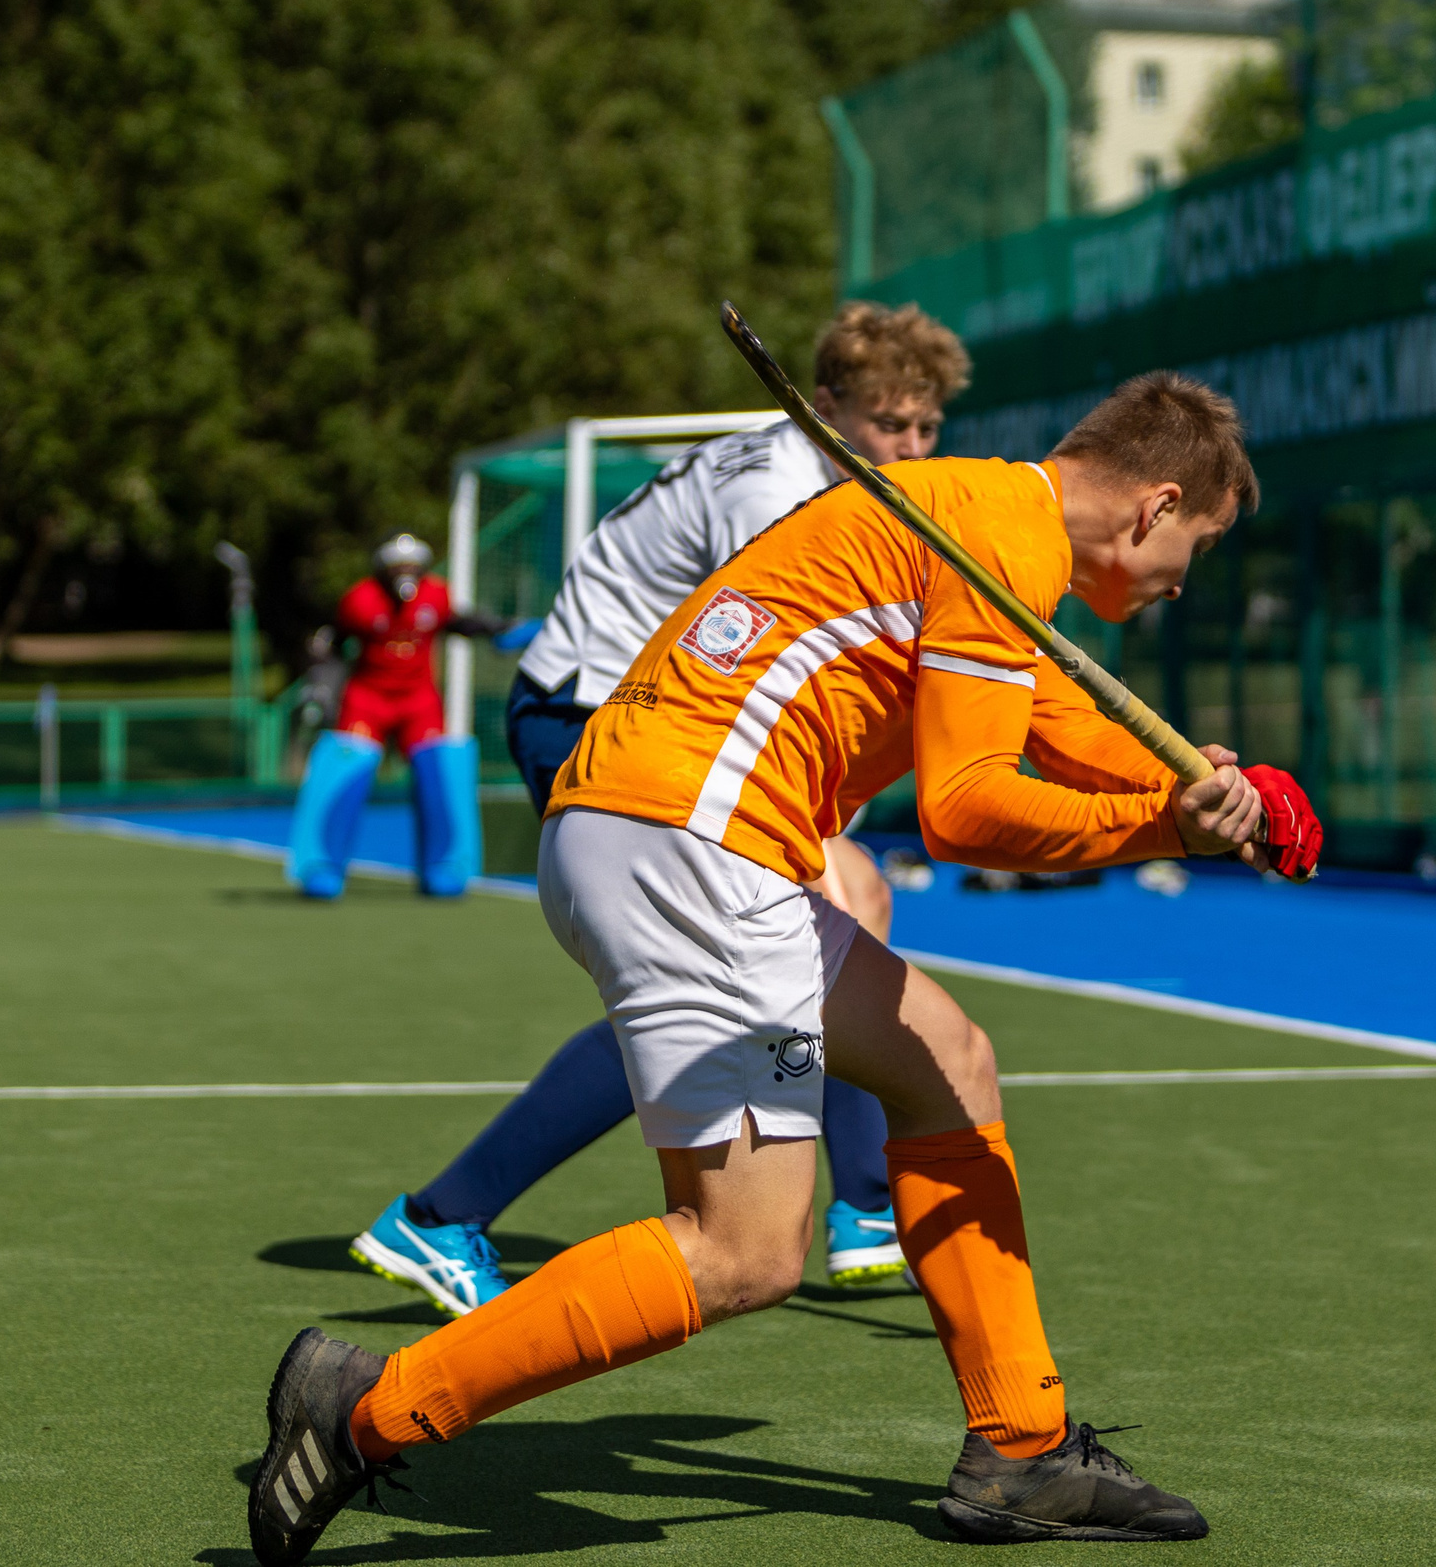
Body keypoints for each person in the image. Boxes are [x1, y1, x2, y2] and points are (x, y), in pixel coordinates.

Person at [249, 372, 1325, 1562]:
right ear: (1152, 504)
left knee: (948, 1066)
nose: (1187, 576)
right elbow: (966, 809)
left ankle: (1021, 1450)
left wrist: (1190, 785)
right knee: (744, 1251)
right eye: (1199, 544)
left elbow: (1052, 715)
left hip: (671, 831)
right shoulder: (999, 537)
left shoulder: (979, 515)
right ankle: (369, 1409)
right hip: (696, 845)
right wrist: (1175, 826)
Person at [350, 303, 967, 1314]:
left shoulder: (819, 476)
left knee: (825, 922)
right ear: (824, 408)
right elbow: (772, 660)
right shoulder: (774, 488)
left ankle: (859, 1210)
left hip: (661, 720)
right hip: (597, 716)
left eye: (924, 429)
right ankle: (441, 1215)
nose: (906, 446)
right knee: (724, 962)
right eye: (886, 423)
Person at [286, 537, 506, 899]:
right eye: (396, 568)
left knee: (436, 771)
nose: (405, 576)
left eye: (412, 567)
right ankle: (321, 865)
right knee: (348, 769)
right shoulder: (360, 600)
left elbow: (454, 622)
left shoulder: (436, 596)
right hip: (367, 698)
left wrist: (495, 628)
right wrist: (321, 686)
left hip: (418, 700)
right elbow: (333, 645)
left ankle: (443, 866)